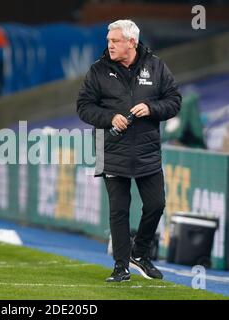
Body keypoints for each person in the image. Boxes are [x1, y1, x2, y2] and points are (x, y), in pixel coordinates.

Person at [77, 20, 181, 282]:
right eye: (108, 40)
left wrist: (151, 108)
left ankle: (141, 253)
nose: (109, 45)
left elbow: (174, 101)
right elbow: (83, 107)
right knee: (119, 210)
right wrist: (110, 117)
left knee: (156, 205)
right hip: (111, 149)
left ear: (131, 42)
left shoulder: (156, 66)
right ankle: (121, 266)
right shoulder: (98, 71)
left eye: (115, 41)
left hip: (146, 151)